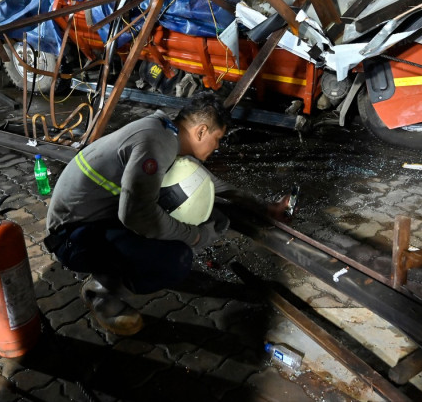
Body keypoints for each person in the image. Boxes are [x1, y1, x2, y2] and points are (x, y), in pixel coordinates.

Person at [43, 91, 289, 336]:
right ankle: (101, 290)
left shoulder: (166, 133)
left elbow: (212, 185)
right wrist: (195, 236)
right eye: (218, 138)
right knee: (175, 259)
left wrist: (264, 207)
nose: (217, 146)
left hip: (92, 220)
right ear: (201, 131)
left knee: (189, 216)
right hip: (71, 237)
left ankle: (113, 270)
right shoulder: (155, 142)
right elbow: (138, 216)